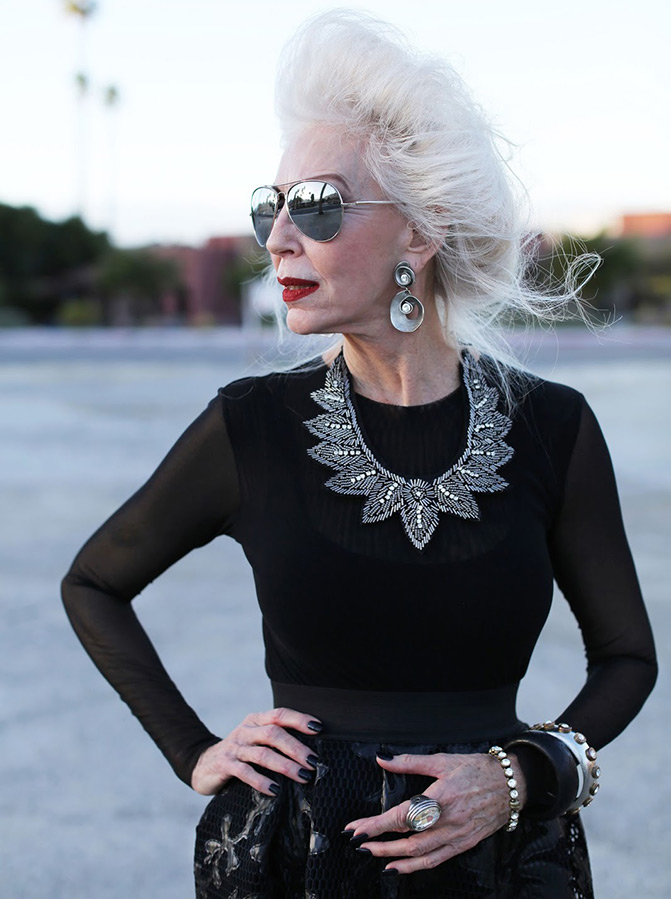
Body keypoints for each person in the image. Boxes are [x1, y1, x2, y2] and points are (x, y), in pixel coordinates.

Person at [61, 10, 657, 898]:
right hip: (294, 860)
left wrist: (519, 776)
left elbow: (627, 657)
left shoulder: (553, 426)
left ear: (419, 231)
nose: (278, 238)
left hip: (497, 863)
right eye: (269, 208)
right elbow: (93, 583)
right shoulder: (249, 425)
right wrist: (194, 749)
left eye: (316, 206)